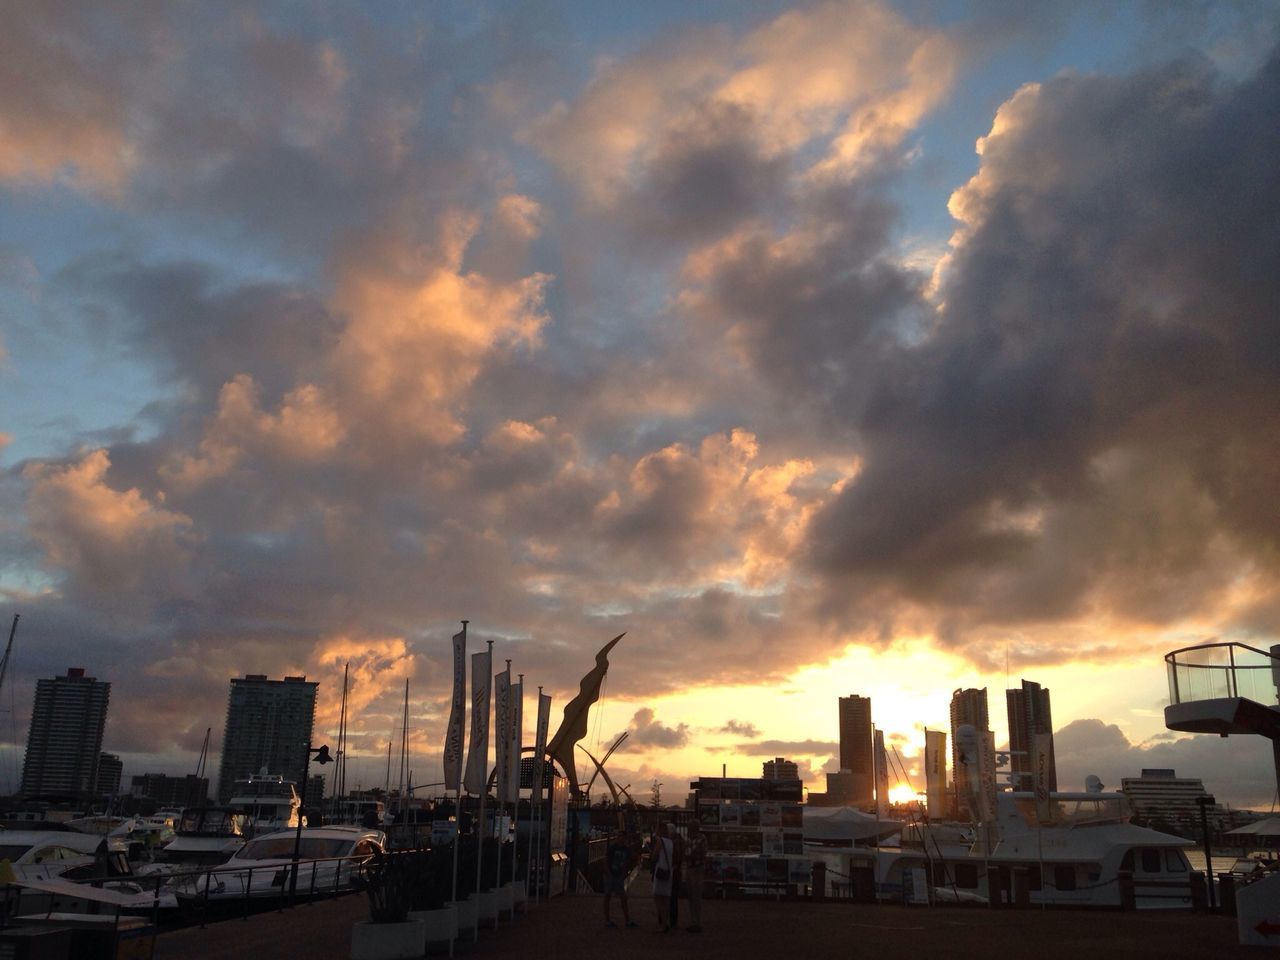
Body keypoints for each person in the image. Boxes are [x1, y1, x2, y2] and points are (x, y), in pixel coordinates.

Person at [602, 830, 639, 928]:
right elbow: (607, 861)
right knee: (610, 897)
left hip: (617, 875)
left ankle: (623, 920)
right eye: (619, 836)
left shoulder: (623, 849)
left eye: (621, 836)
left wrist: (622, 874)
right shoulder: (616, 848)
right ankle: (611, 920)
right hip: (612, 874)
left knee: (618, 897)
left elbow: (628, 861)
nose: (620, 838)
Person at [649, 822, 674, 931]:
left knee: (657, 897)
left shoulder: (660, 841)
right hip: (669, 872)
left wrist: (652, 853)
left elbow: (654, 856)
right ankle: (666, 922)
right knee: (666, 899)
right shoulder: (670, 842)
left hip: (660, 870)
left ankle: (663, 923)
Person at [684, 819, 708, 932]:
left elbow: (694, 852)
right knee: (691, 896)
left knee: (696, 896)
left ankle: (696, 922)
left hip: (697, 868)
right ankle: (693, 921)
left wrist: (690, 854)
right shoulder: (691, 839)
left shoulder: (700, 838)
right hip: (691, 868)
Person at [667, 822, 683, 929]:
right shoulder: (679, 841)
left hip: (671, 871)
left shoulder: (672, 842)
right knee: (673, 898)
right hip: (676, 872)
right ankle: (673, 921)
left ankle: (668, 920)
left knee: (669, 897)